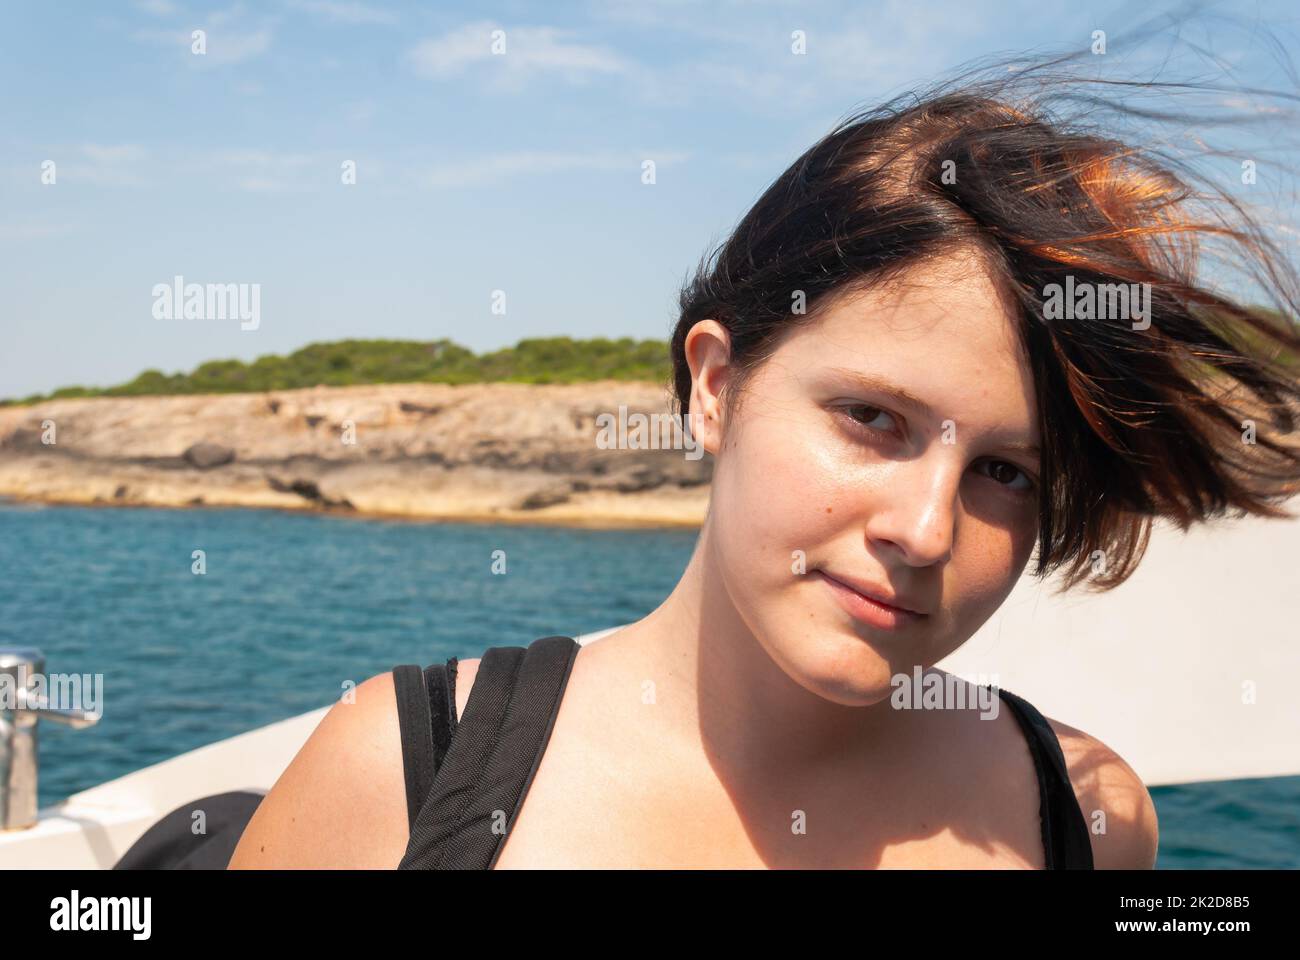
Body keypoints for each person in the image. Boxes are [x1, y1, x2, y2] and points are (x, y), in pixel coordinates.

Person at [229, 45, 1300, 870]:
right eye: (871, 418)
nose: (924, 530)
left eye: (1004, 471)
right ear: (714, 386)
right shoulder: (408, 777)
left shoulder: (1086, 817)